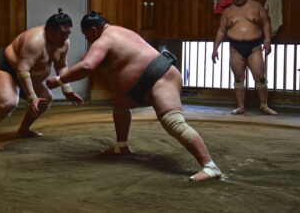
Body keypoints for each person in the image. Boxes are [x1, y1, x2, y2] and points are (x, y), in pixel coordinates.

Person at [46, 11, 222, 182]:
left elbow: (87, 66)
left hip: (161, 78)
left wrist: (60, 79)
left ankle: (210, 166)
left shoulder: (104, 39)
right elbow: (119, 63)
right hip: (145, 83)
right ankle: (122, 146)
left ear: (93, 31)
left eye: (87, 36)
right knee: (120, 104)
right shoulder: (121, 32)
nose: (88, 40)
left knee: (172, 122)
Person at [0, 9, 84, 152]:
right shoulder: (35, 41)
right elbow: (22, 71)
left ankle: (24, 130)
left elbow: (61, 66)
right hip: (7, 71)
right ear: (49, 31)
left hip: (30, 77)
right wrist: (32, 97)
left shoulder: (64, 42)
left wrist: (67, 89)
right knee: (8, 104)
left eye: (68, 34)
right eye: (62, 34)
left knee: (45, 99)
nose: (66, 38)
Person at [212, 0, 277, 115]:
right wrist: (215, 49)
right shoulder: (228, 11)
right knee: (238, 78)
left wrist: (268, 41)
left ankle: (264, 105)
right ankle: (241, 106)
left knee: (260, 77)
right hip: (235, 47)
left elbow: (265, 24)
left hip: (254, 47)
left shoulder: (256, 6)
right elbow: (221, 31)